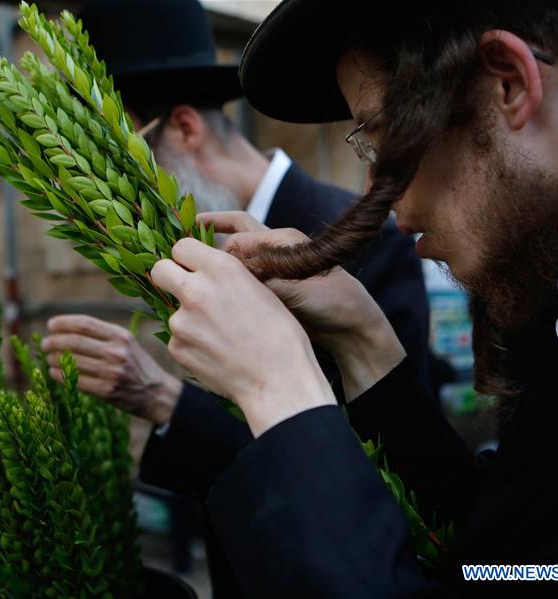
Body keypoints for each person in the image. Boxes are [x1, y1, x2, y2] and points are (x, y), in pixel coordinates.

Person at [146, 0, 558, 595]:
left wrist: (281, 391)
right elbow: (508, 560)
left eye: (381, 139)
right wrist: (365, 342)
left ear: (508, 82)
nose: (385, 201)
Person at [43, 0, 431, 595]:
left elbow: (400, 468)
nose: (115, 201)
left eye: (119, 167)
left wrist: (169, 397)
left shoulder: (363, 232)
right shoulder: (203, 245)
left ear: (184, 127)